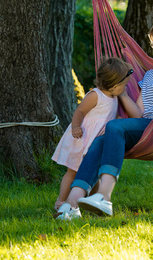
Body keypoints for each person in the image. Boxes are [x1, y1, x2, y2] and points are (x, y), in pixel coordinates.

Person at [56, 17, 153, 220]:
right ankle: (72, 203)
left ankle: (104, 196)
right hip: (141, 127)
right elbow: (138, 113)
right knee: (100, 141)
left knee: (114, 127)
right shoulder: (150, 75)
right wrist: (122, 92)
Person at [52, 57, 134, 211]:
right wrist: (76, 126)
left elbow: (110, 117)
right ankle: (61, 202)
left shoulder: (113, 96)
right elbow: (80, 111)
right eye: (124, 85)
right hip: (82, 138)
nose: (125, 88)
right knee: (72, 171)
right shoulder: (95, 95)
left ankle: (91, 202)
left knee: (93, 171)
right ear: (114, 86)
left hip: (95, 143)